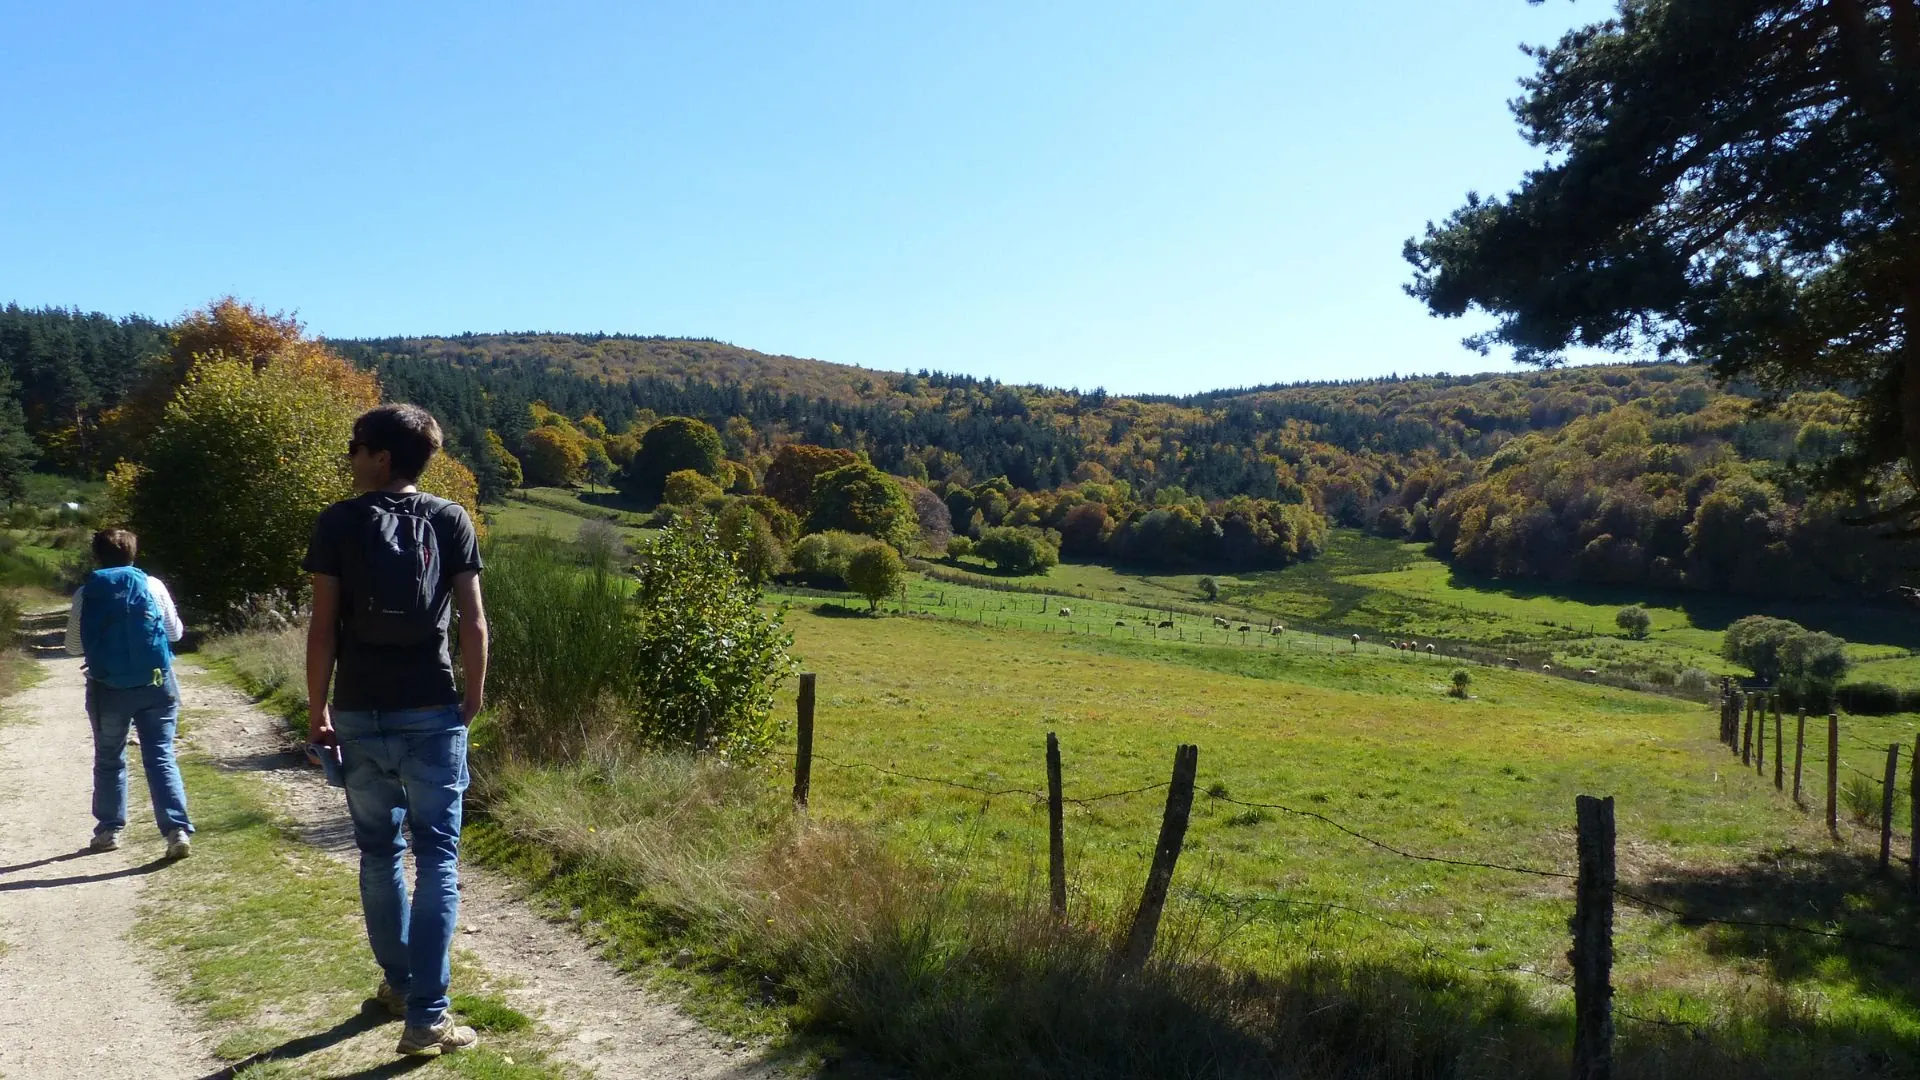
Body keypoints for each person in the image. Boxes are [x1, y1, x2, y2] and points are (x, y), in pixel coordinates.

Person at [304, 403, 489, 1058]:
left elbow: (323, 626)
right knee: (437, 855)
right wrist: (471, 697)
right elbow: (471, 621)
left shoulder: (337, 523)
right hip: (431, 710)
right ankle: (427, 1018)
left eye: (356, 447)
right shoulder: (451, 520)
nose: (350, 457)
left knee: (379, 852)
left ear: (381, 456)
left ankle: (398, 986)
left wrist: (317, 705)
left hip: (359, 710)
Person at [66, 528, 192, 858]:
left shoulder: (87, 592)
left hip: (107, 687)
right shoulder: (152, 585)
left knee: (109, 758)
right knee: (161, 754)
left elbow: (72, 646)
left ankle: (109, 830)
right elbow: (175, 633)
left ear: (98, 556)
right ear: (133, 554)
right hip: (156, 682)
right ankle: (176, 830)